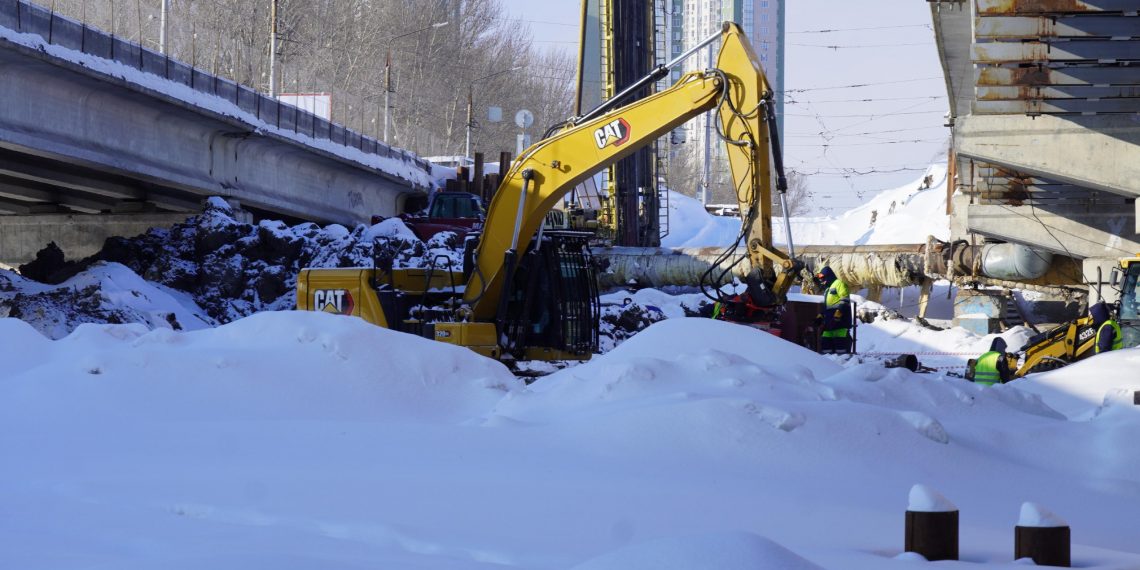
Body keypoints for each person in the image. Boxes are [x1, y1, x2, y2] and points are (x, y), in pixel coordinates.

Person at [814, 266, 852, 353]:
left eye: (823, 278)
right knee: (825, 343)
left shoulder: (839, 284)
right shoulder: (827, 289)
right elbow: (827, 306)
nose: (822, 281)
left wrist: (839, 312)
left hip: (840, 323)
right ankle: (828, 364)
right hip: (829, 323)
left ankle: (843, 364)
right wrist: (820, 316)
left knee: (841, 347)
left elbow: (845, 300)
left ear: (828, 276)